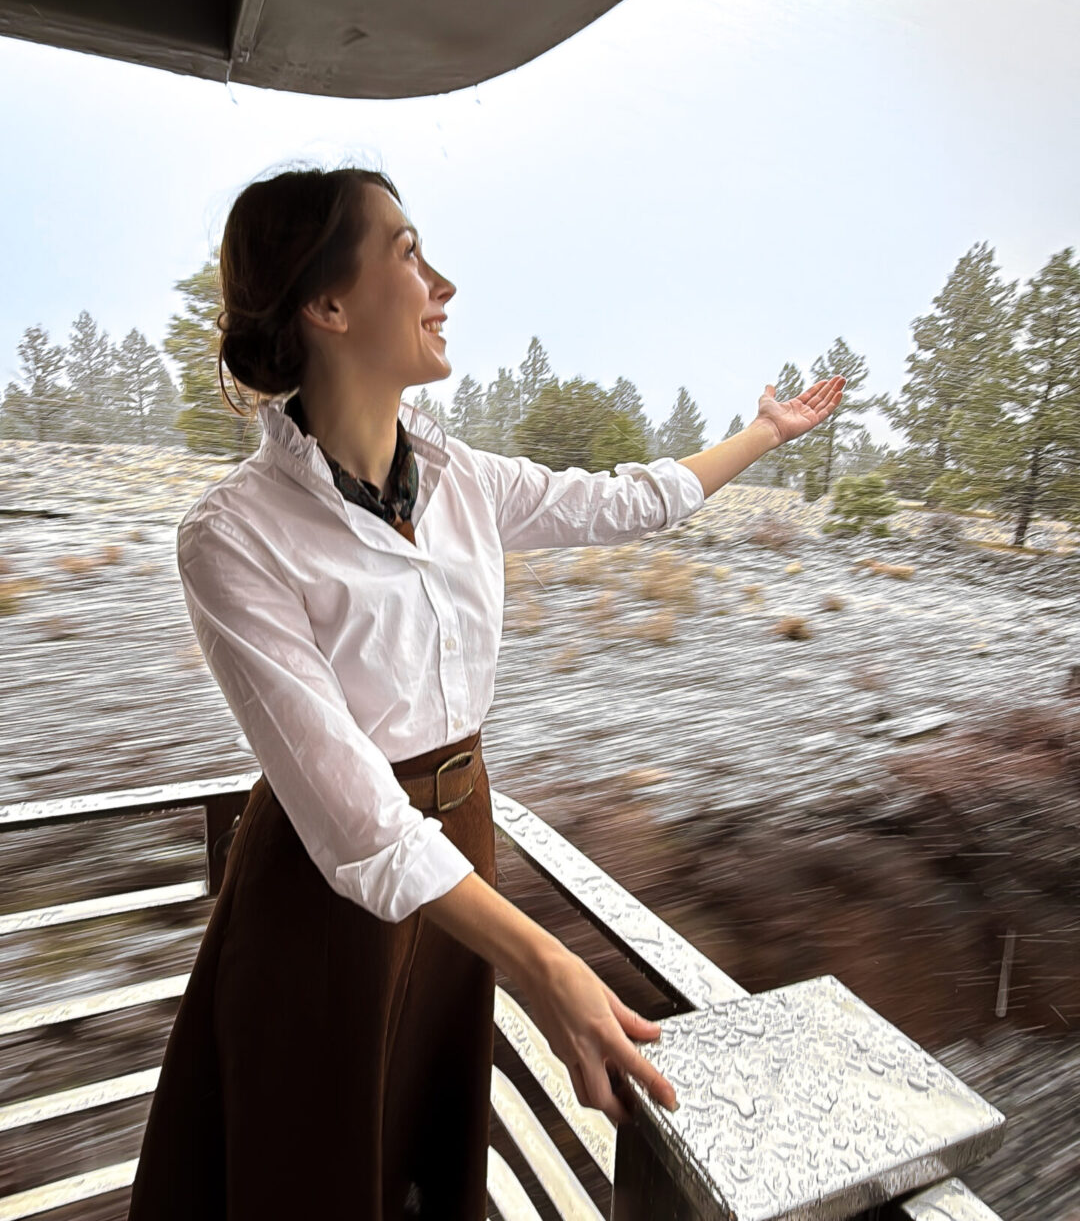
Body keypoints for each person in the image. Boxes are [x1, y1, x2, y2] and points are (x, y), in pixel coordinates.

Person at [127, 163, 844, 1220]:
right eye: (409, 253)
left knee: (417, 1148)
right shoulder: (232, 536)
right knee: (314, 1160)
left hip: (464, 837)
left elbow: (631, 501)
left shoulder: (463, 482)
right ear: (327, 306)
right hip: (321, 891)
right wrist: (547, 966)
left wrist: (765, 435)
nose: (443, 283)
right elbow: (356, 818)